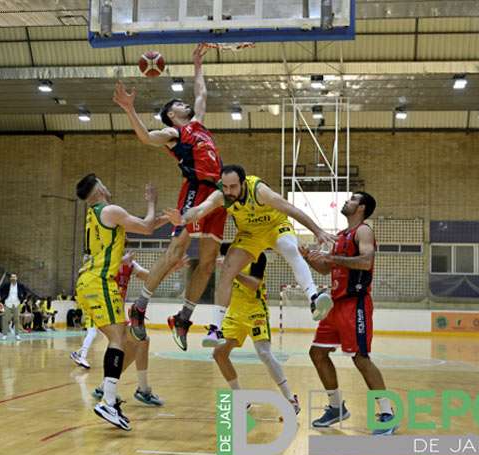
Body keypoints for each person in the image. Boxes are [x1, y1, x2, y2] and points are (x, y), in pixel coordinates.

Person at [114, 43, 226, 351]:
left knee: (206, 264)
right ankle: (139, 307)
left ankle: (183, 317)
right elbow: (147, 138)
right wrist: (129, 109)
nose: (186, 103)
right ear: (170, 114)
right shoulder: (175, 134)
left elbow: (201, 94)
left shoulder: (199, 125)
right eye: (179, 103)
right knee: (176, 252)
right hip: (194, 191)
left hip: (217, 197)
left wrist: (198, 65)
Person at [169, 164, 335, 348]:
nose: (228, 191)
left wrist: (318, 230)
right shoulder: (221, 195)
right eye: (225, 186)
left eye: (233, 186)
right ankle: (216, 330)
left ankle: (313, 299)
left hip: (275, 226)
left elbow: (290, 209)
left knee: (290, 248)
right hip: (250, 235)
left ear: (243, 183)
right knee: (226, 271)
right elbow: (200, 209)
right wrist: (183, 218)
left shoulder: (259, 190)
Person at [301, 192, 397, 432]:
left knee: (361, 358)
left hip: (355, 304)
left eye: (352, 199)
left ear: (361, 207)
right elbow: (325, 269)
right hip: (335, 304)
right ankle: (336, 408)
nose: (347, 200)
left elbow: (365, 261)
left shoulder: (363, 231)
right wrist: (309, 258)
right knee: (317, 353)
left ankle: (387, 413)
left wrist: (332, 257)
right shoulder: (341, 236)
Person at [74, 173, 159, 431]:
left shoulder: (95, 214)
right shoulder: (110, 209)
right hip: (100, 281)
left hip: (88, 282)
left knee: (123, 338)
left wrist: (171, 219)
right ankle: (108, 401)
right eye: (104, 181)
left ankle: (109, 397)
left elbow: (139, 225)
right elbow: (147, 227)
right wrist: (152, 203)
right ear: (99, 187)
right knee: (118, 339)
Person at [73, 250, 187, 407]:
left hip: (113, 311)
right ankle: (139, 390)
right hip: (98, 306)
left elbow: (150, 278)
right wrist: (120, 261)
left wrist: (170, 269)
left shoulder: (130, 265)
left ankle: (106, 387)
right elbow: (86, 273)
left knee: (137, 342)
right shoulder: (103, 261)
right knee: (132, 341)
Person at [212, 243, 300, 414]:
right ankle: (240, 398)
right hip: (235, 312)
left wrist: (232, 271)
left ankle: (290, 399)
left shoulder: (258, 255)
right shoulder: (230, 250)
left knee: (264, 354)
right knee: (219, 354)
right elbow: (212, 249)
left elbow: (253, 284)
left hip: (255, 311)